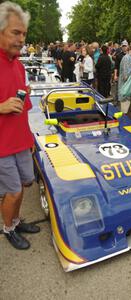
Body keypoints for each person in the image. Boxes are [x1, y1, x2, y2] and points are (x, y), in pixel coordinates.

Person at [0, 1, 40, 250]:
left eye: (24, 33)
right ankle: (8, 229)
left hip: (20, 140)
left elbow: (21, 105)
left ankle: (15, 220)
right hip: (2, 145)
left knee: (25, 184)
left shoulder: (19, 64)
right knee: (12, 191)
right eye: (16, 32)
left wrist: (24, 96)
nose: (21, 39)